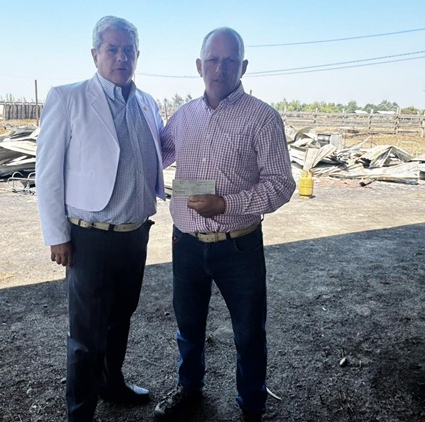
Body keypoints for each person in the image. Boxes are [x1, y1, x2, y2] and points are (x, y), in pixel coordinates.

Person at [154, 28, 296, 422]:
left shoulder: (262, 117)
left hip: (238, 246)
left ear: (243, 66)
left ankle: (251, 405)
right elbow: (156, 157)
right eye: (213, 60)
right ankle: (189, 389)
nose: (220, 68)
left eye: (230, 60)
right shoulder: (184, 117)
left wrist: (225, 203)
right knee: (188, 326)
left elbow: (281, 184)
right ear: (199, 65)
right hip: (185, 243)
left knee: (249, 332)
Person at [35, 16, 168, 422]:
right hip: (89, 238)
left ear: (138, 55)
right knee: (86, 335)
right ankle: (80, 413)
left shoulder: (147, 103)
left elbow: (160, 153)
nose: (121, 57)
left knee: (120, 319)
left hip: (135, 234)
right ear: (95, 54)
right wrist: (57, 235)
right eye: (112, 49)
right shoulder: (68, 98)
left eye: (128, 50)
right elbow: (48, 172)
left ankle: (112, 384)